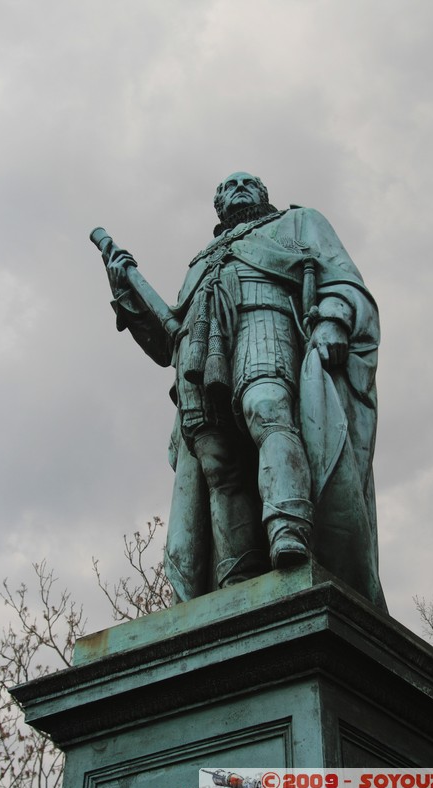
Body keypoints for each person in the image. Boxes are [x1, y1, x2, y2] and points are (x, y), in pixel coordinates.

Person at [99, 172, 386, 610]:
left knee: (266, 406)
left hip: (265, 321)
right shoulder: (199, 261)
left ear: (262, 192)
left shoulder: (297, 223)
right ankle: (238, 570)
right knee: (215, 458)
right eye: (226, 187)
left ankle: (289, 530)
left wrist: (334, 317)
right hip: (199, 353)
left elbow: (343, 278)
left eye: (245, 183)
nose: (236, 188)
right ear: (218, 205)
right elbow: (166, 344)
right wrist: (125, 292)